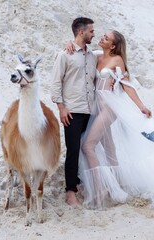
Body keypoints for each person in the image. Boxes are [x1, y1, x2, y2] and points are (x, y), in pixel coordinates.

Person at [67, 31, 154, 212]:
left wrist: (141, 106)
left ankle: (100, 189)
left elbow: (126, 85)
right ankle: (115, 186)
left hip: (109, 107)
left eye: (106, 38)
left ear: (113, 46)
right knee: (108, 147)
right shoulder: (94, 55)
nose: (101, 38)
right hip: (96, 107)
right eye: (102, 36)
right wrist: (68, 43)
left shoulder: (117, 60)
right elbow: (80, 50)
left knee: (87, 146)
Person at [50, 17, 97, 207]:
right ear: (81, 32)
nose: (94, 34)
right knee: (73, 151)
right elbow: (55, 83)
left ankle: (84, 185)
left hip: (91, 110)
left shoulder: (93, 55)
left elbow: (112, 55)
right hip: (73, 111)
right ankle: (70, 193)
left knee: (89, 149)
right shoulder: (64, 55)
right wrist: (61, 108)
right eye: (91, 31)